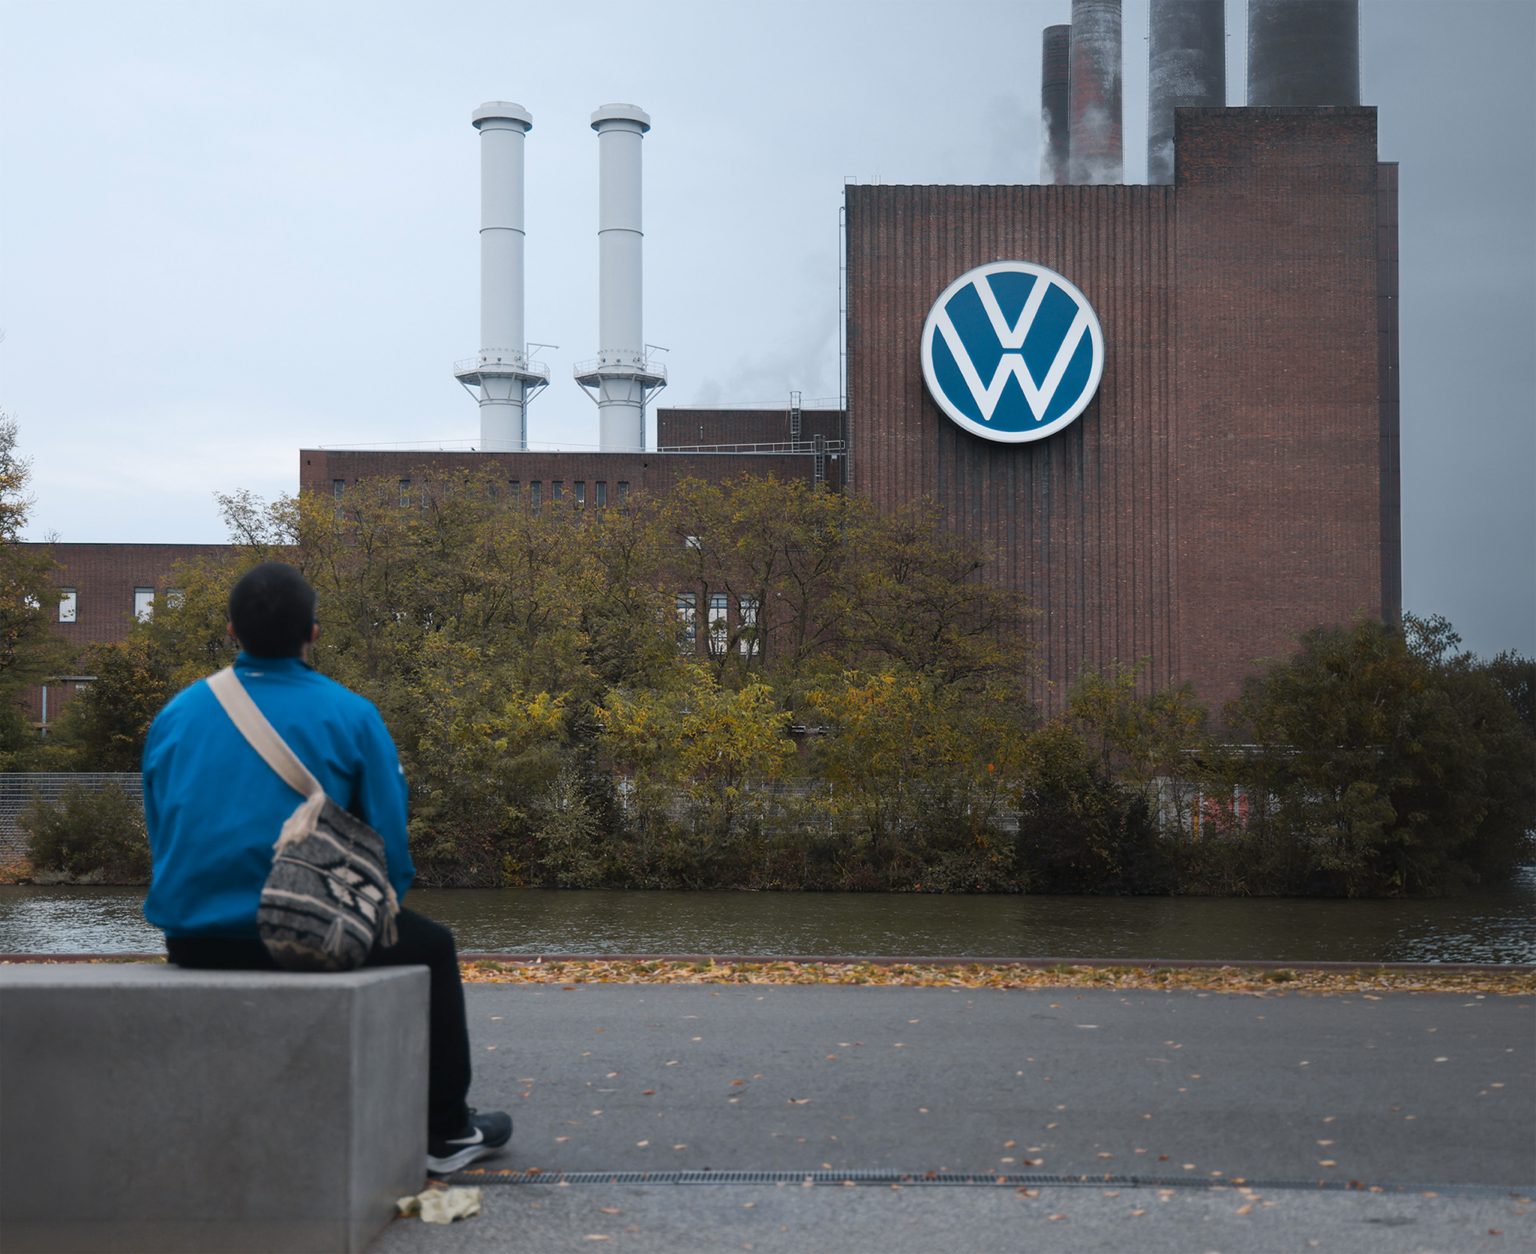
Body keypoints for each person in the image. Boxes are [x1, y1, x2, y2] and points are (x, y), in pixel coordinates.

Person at [141, 561, 511, 1174]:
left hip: (193, 939)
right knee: (434, 946)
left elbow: (161, 833)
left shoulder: (175, 717)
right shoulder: (352, 714)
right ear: (313, 632)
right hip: (308, 935)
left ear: (231, 630)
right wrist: (374, 908)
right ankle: (445, 1134)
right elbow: (389, 849)